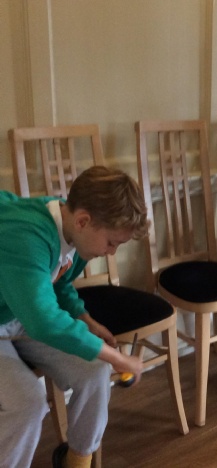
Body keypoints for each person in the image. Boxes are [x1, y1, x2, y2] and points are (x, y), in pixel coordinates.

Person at [0, 166, 149, 468]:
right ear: (83, 221)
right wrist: (117, 358)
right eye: (112, 243)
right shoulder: (27, 236)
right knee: (28, 405)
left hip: (18, 316)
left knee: (95, 371)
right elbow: (43, 320)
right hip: (22, 318)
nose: (111, 253)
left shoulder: (73, 231)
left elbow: (59, 282)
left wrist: (85, 319)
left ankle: (76, 461)